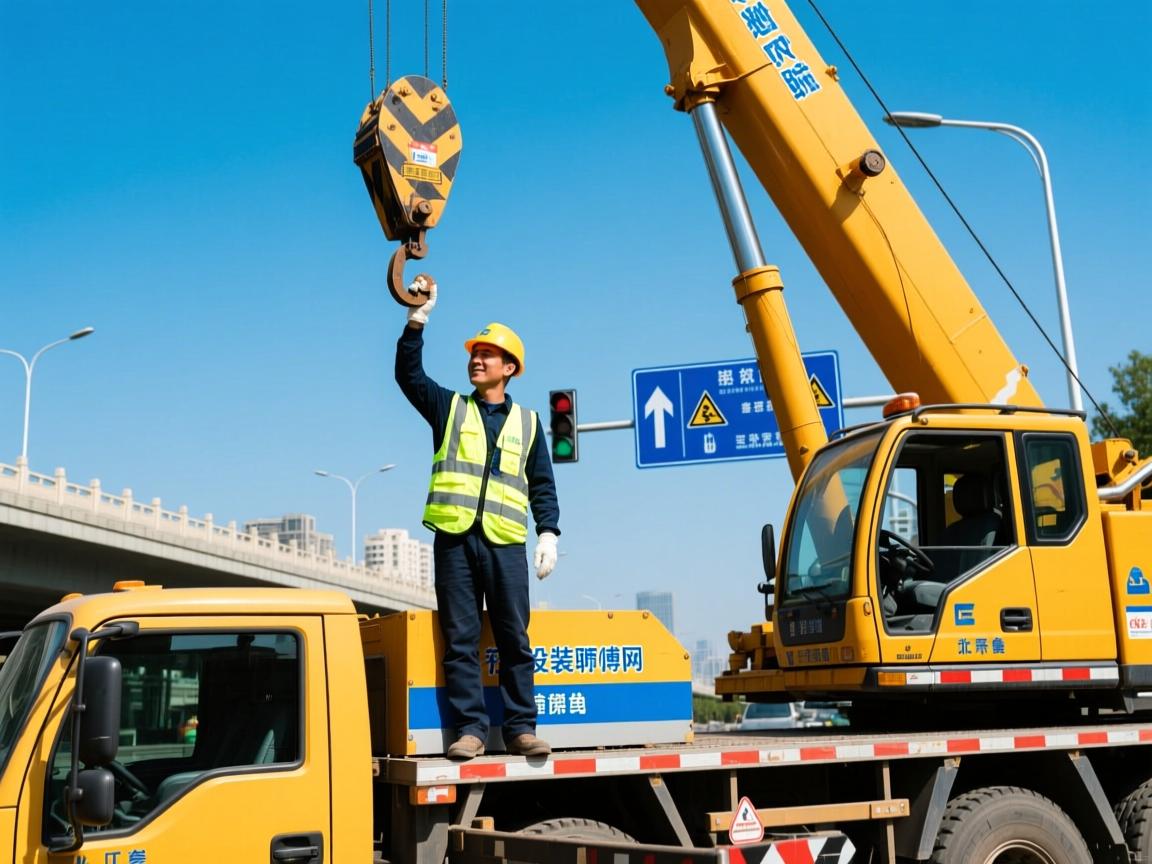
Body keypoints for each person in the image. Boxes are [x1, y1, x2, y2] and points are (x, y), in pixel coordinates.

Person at [395, 276, 560, 760]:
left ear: (509, 369)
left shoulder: (529, 423)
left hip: (505, 544)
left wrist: (548, 533)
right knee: (460, 641)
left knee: (514, 639)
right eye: (474, 353)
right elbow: (408, 376)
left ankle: (521, 728)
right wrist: (417, 320)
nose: (477, 360)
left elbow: (542, 484)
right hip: (454, 539)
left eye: (488, 354)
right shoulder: (449, 408)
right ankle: (470, 730)